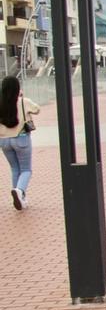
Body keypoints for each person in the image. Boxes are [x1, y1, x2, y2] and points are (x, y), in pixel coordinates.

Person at [0, 76, 39, 211]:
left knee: (15, 169)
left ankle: (20, 197)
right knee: (26, 169)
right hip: (21, 138)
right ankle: (19, 190)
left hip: (4, 141)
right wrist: (22, 97)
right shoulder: (23, 101)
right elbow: (37, 109)